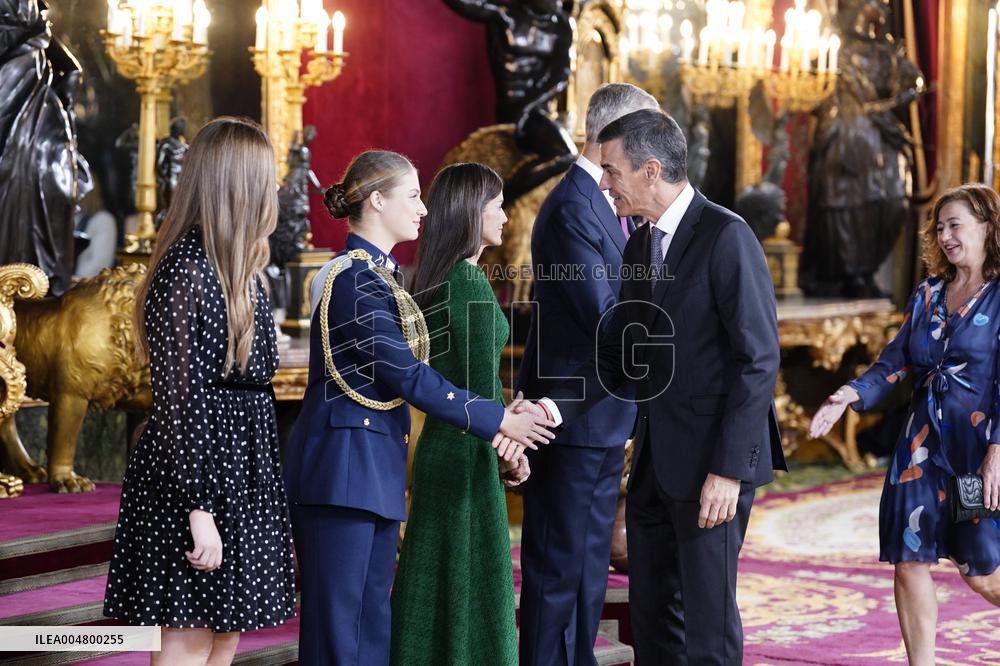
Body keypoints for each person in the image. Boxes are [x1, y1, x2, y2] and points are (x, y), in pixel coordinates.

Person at [527, 108, 785, 665]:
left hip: (712, 471)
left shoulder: (727, 236)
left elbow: (758, 360)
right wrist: (548, 407)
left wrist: (729, 470)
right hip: (652, 470)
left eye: (612, 170)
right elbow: (619, 358)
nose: (605, 183)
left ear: (649, 171)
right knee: (651, 623)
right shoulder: (640, 247)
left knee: (707, 631)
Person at [283, 150, 554, 666]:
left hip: (371, 470)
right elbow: (405, 374)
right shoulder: (351, 279)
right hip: (342, 473)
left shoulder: (382, 278)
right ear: (378, 200)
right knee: (339, 633)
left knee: (369, 627)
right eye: (412, 196)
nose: (424, 209)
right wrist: (502, 420)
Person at [103, 117, 297, 665]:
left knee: (226, 636)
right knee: (188, 643)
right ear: (237, 184)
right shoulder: (186, 274)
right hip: (197, 478)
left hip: (244, 474)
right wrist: (199, 509)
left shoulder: (241, 272)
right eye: (269, 176)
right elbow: (179, 403)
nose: (277, 189)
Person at [811, 183, 1000, 666]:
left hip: (977, 453)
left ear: (987, 226)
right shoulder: (928, 294)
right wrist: (847, 394)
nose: (946, 235)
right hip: (919, 451)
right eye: (940, 227)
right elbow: (892, 363)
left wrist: (997, 451)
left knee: (982, 571)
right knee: (909, 557)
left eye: (956, 224)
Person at [515, 82, 658, 666]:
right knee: (557, 571)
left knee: (587, 573)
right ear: (611, 138)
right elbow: (606, 319)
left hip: (605, 413)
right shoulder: (572, 206)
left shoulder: (612, 202)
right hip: (569, 418)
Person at [390, 162, 529, 665]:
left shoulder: (448, 277)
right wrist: (510, 441)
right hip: (465, 455)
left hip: (454, 449)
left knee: (444, 593)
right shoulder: (466, 285)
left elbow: (475, 388)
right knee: (467, 594)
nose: (507, 216)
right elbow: (476, 392)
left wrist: (506, 437)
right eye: (498, 206)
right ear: (472, 212)